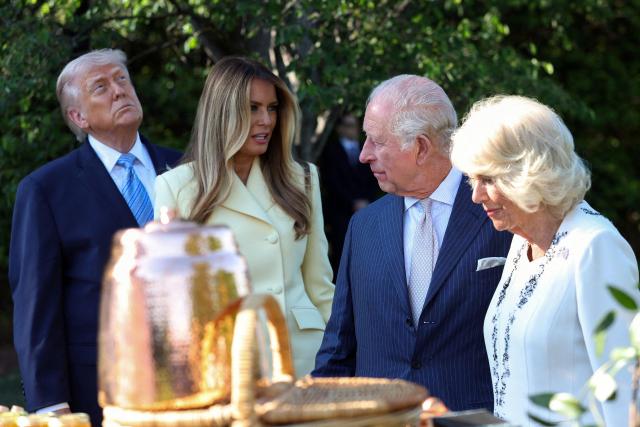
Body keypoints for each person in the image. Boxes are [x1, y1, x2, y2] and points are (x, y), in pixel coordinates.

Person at [313, 75, 513, 412]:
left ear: (420, 147)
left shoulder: (499, 215)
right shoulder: (363, 227)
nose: (364, 155)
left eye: (377, 142)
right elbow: (338, 348)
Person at [8, 49, 181, 425]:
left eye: (122, 79)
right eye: (100, 87)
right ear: (78, 116)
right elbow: (36, 308)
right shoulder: (46, 189)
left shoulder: (187, 168)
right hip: (98, 390)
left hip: (192, 383)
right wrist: (50, 405)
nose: (119, 91)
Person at [449, 95, 638, 426]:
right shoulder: (522, 241)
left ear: (529, 172)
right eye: (472, 180)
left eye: (488, 179)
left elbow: (624, 392)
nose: (475, 195)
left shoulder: (595, 245)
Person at [154, 56, 335, 377]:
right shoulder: (177, 188)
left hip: (305, 358)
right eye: (252, 108)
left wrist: (339, 358)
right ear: (222, 112)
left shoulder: (303, 179)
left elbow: (320, 286)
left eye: (272, 108)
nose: (266, 119)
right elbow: (173, 306)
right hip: (230, 366)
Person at [318, 113, 379, 275]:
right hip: (341, 212)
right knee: (342, 253)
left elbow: (374, 178)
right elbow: (331, 181)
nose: (351, 129)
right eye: (347, 125)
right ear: (339, 128)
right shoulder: (330, 151)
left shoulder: (364, 149)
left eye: (354, 125)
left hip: (366, 209)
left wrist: (366, 201)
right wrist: (352, 202)